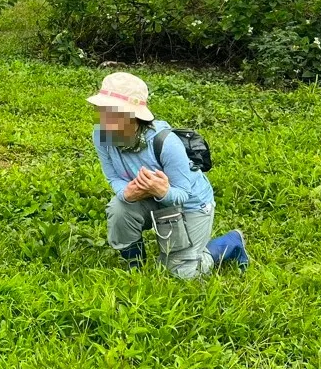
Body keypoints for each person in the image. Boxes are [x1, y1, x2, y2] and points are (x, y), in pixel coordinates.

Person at [89, 72, 248, 278]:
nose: (104, 120)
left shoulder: (166, 143)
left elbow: (183, 193)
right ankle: (134, 269)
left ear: (133, 116)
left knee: (181, 273)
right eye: (101, 111)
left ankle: (231, 242)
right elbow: (113, 177)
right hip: (148, 198)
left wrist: (163, 192)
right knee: (119, 208)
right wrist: (126, 194)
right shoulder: (101, 134)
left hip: (190, 203)